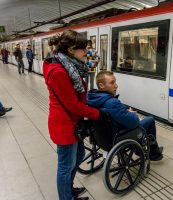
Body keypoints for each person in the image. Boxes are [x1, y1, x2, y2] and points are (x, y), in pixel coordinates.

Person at [43, 30, 100, 200]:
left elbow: (93, 64)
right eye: (83, 48)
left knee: (79, 156)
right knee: (65, 166)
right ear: (71, 50)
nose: (87, 51)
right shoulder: (59, 71)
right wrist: (97, 114)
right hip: (65, 125)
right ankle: (66, 197)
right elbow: (72, 105)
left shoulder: (69, 64)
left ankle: (68, 189)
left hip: (73, 123)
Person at [87, 70, 163, 161]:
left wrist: (124, 112)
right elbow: (134, 123)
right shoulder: (112, 103)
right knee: (150, 120)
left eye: (115, 81)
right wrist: (131, 114)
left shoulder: (92, 99)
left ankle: (147, 150)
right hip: (117, 137)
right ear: (101, 86)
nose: (116, 85)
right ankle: (153, 153)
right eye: (112, 82)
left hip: (100, 138)